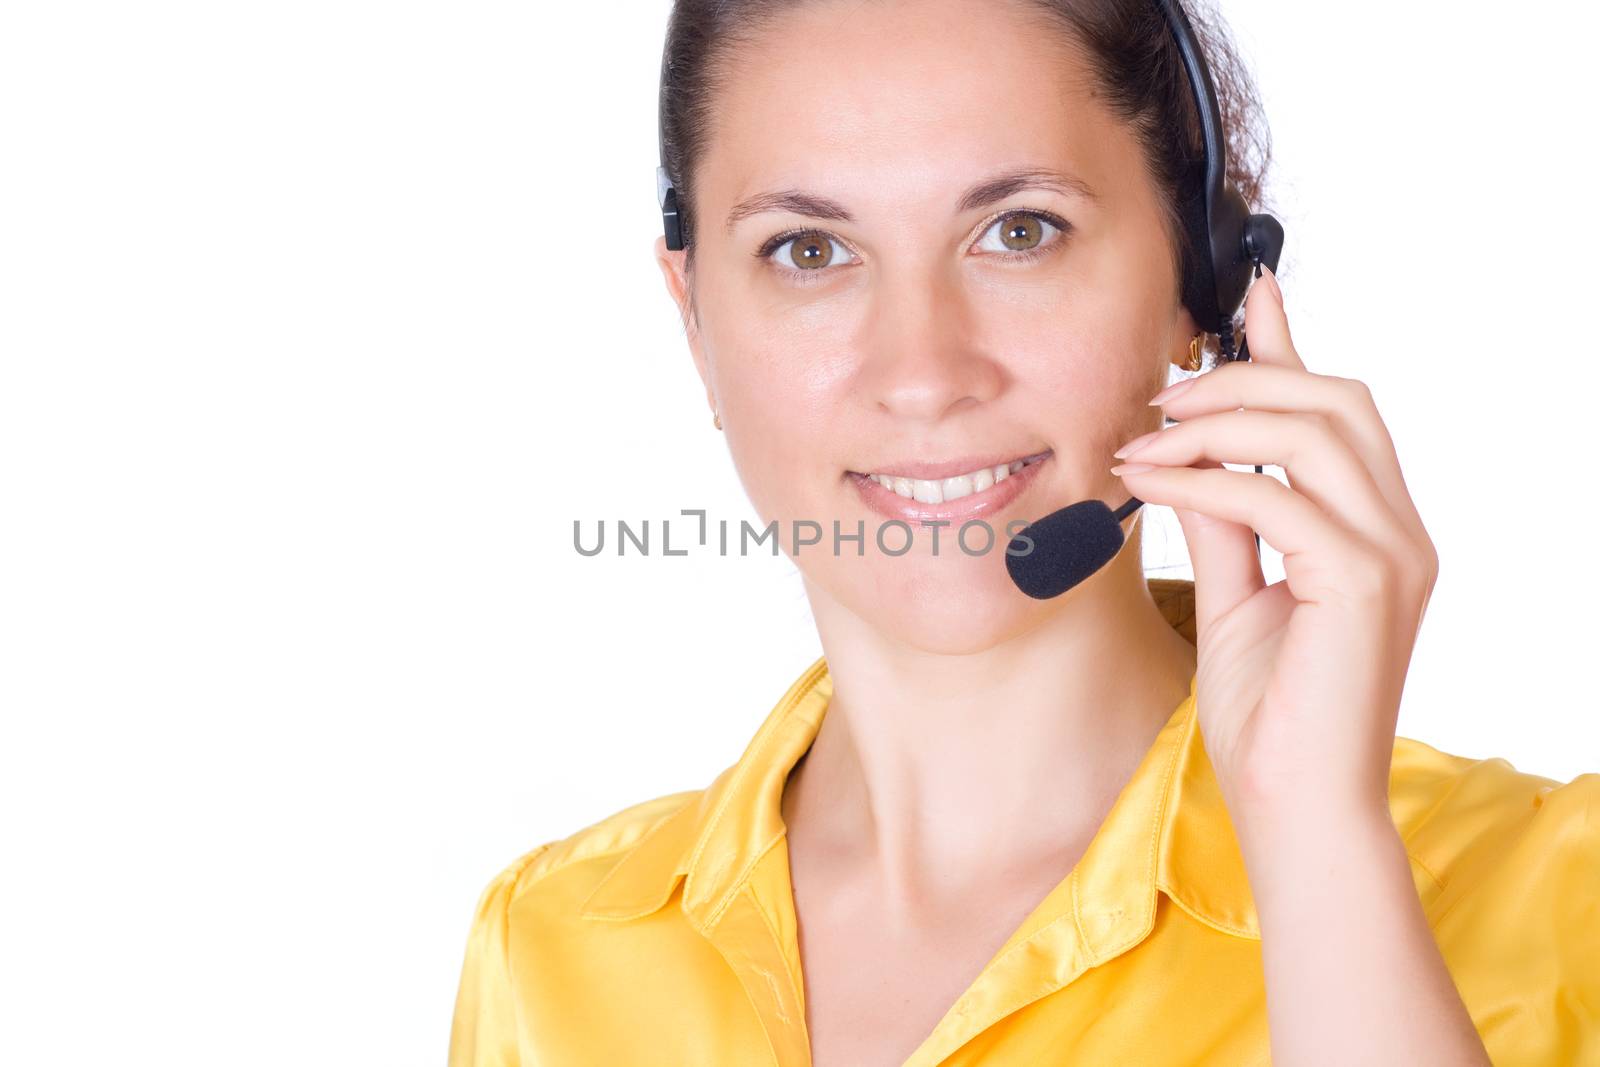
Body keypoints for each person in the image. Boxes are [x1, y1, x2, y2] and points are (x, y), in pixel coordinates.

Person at [449, 0, 1599, 1063]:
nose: (922, 375)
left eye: (1019, 231)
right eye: (810, 250)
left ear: (1202, 282)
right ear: (695, 319)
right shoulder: (553, 949)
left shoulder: (1557, 902)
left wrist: (1318, 849)